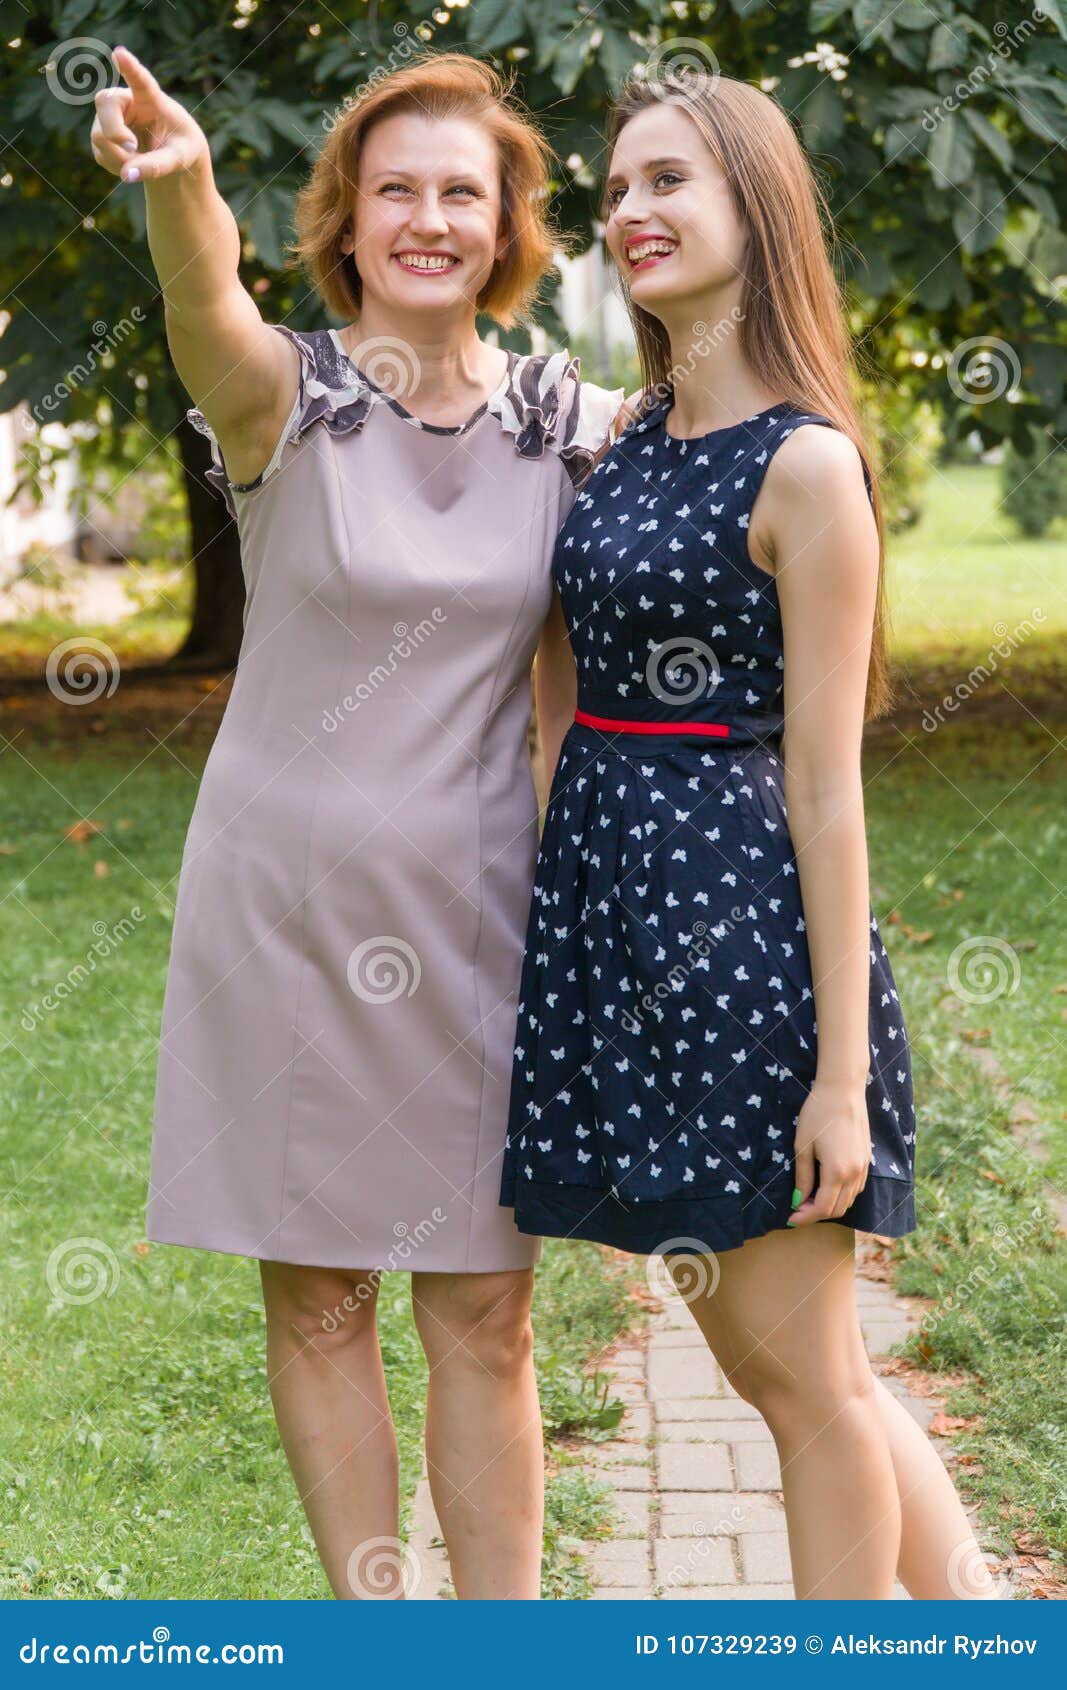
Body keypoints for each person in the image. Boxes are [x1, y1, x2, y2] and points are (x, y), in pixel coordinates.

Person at [91, 44, 621, 1601]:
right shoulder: (285, 400)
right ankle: (380, 1633)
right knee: (318, 1301)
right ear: (347, 217)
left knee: (486, 1310)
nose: (430, 218)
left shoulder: (570, 422)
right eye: (397, 189)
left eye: (464, 190)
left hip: (482, 916)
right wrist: (184, 189)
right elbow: (207, 313)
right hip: (287, 908)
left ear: (511, 222)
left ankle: (500, 1642)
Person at [500, 70, 995, 1600]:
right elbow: (554, 705)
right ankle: (979, 1621)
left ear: (754, 211)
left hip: (742, 962)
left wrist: (840, 1080)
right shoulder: (630, 437)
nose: (632, 212)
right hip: (620, 942)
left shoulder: (808, 464)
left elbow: (832, 786)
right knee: (796, 1368)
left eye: (671, 183)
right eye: (620, 188)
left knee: (804, 1382)